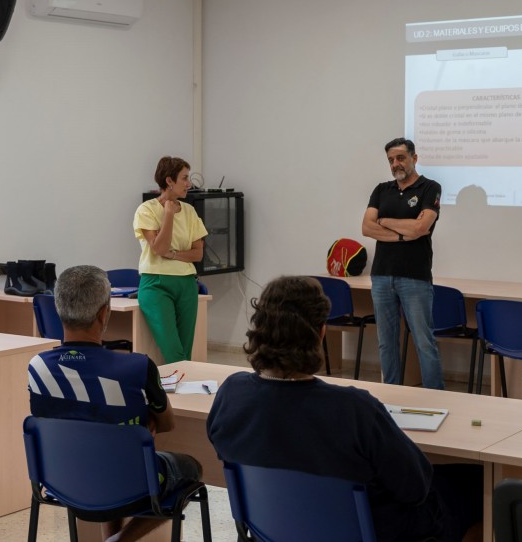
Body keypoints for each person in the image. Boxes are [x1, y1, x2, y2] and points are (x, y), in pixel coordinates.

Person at [207, 276, 482, 542]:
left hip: (272, 527)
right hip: (370, 530)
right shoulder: (354, 409)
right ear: (321, 332)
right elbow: (415, 487)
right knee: (477, 483)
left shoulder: (231, 393)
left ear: (258, 329)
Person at [26, 265, 202, 542]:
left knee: (105, 457)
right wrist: (142, 422)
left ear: (58, 310)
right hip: (131, 484)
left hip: (62, 482)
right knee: (191, 466)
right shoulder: (136, 366)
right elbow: (167, 424)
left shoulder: (37, 367)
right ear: (104, 313)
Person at [361, 138, 444, 388]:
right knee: (386, 341)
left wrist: (384, 221)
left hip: (414, 277)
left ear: (414, 158)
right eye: (391, 160)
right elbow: (366, 227)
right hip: (382, 276)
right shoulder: (381, 190)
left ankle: (436, 397)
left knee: (423, 341)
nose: (395, 164)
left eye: (400, 158)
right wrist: (402, 234)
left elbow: (421, 227)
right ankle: (391, 395)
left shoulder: (429, 188)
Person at [133, 156, 208, 363]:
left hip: (186, 284)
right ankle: (177, 392)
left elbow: (198, 254)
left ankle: (184, 393)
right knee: (175, 353)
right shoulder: (146, 210)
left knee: (186, 352)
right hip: (156, 284)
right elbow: (159, 248)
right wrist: (168, 214)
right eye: (184, 178)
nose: (189, 183)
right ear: (169, 181)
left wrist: (174, 255)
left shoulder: (190, 211)